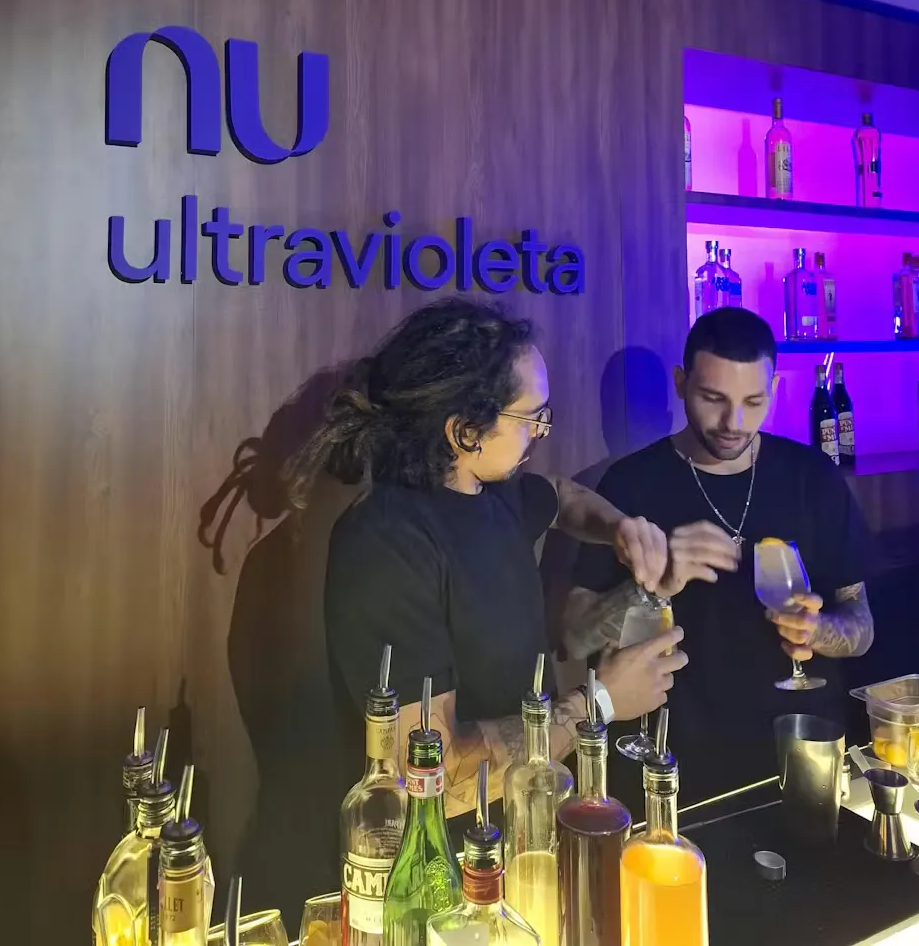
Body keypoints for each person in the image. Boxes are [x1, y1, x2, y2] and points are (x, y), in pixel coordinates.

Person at [284, 297, 693, 821]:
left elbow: (561, 496)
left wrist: (620, 529)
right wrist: (600, 703)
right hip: (445, 854)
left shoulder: (492, 488)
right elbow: (437, 778)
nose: (541, 430)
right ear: (465, 431)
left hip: (524, 824)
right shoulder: (386, 547)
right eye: (530, 417)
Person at [565, 306, 874, 805]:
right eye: (713, 398)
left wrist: (820, 631)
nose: (734, 422)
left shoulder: (812, 477)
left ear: (773, 389)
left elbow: (861, 624)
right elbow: (574, 636)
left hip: (801, 752)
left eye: (753, 401)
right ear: (681, 383)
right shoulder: (630, 484)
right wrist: (649, 587)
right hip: (674, 762)